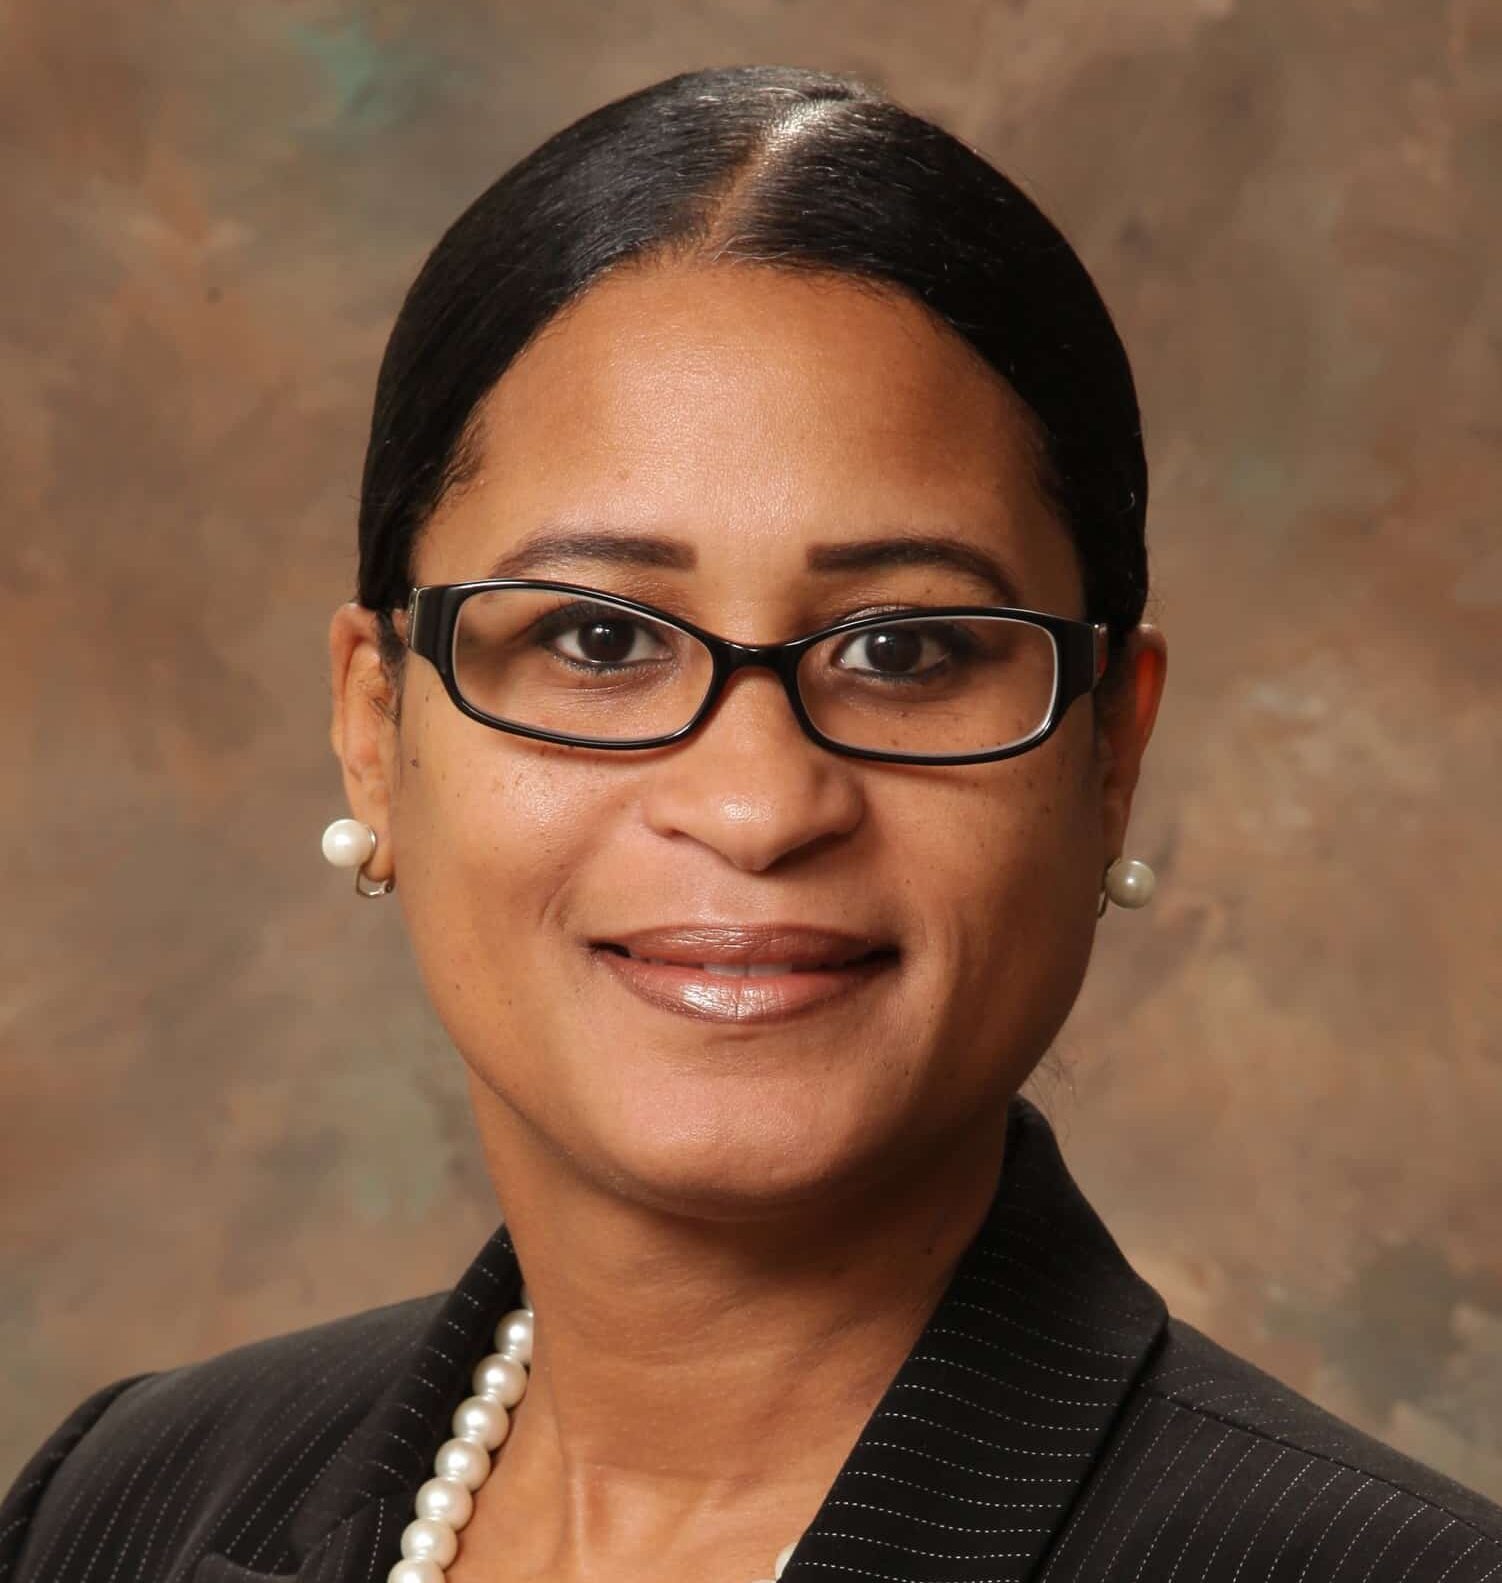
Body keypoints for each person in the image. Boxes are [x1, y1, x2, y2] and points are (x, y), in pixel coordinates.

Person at [3, 63, 1499, 1583]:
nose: (755, 804)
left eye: (904, 650)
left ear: (1108, 752)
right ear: (374, 733)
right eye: (597, 641)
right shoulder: (117, 1507)